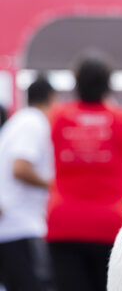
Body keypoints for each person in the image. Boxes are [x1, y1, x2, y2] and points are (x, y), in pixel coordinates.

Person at [47, 54, 122, 291]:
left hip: (63, 224)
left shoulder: (58, 117)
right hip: (110, 226)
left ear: (76, 84)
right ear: (108, 85)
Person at [0, 76, 56, 291]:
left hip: (11, 227)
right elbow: (20, 167)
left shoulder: (17, 123)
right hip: (21, 227)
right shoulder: (34, 122)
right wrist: (54, 185)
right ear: (51, 98)